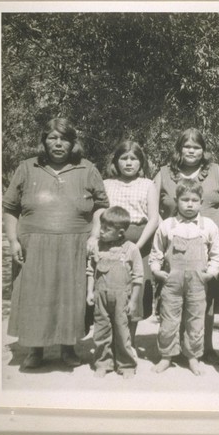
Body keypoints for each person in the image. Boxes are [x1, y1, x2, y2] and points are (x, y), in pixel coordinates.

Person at [3, 118, 109, 369]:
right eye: (53, 138)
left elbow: (101, 206)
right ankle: (35, 351)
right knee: (34, 297)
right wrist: (12, 240)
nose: (58, 143)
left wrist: (94, 236)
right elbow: (10, 207)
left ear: (73, 143)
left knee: (71, 297)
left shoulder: (87, 168)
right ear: (44, 141)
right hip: (33, 246)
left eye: (64, 139)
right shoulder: (27, 167)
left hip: (75, 245)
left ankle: (68, 349)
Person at [154, 127, 219, 364]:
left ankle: (204, 348)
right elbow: (153, 208)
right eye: (187, 146)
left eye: (196, 146)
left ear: (203, 150)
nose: (191, 150)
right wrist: (164, 230)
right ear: (179, 149)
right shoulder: (164, 172)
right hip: (175, 245)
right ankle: (173, 349)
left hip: (209, 243)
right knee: (174, 298)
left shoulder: (216, 172)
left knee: (204, 300)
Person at [149, 179, 219, 375]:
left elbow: (216, 254)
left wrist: (211, 273)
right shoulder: (167, 225)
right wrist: (156, 270)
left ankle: (193, 357)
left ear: (201, 202)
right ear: (176, 200)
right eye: (185, 200)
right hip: (171, 282)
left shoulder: (208, 226)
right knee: (168, 319)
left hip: (198, 283)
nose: (189, 204)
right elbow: (156, 252)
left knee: (196, 320)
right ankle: (166, 356)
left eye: (194, 200)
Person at [90, 140, 159, 347]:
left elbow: (154, 218)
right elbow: (99, 212)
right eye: (124, 158)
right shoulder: (107, 183)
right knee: (110, 289)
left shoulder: (148, 184)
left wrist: (136, 247)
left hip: (139, 241)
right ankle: (109, 343)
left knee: (134, 291)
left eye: (134, 159)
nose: (129, 163)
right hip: (110, 241)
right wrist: (95, 237)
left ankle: (127, 342)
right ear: (116, 161)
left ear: (141, 162)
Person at [86, 206, 143, 379]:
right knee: (101, 331)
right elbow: (90, 271)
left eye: (106, 229)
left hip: (122, 298)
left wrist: (133, 301)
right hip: (100, 296)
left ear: (120, 233)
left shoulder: (131, 249)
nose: (101, 232)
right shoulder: (97, 247)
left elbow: (138, 277)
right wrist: (90, 292)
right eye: (101, 227)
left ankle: (126, 364)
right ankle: (103, 363)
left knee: (122, 332)